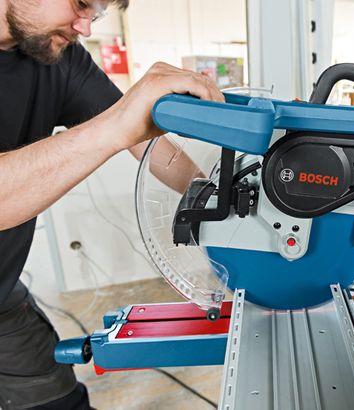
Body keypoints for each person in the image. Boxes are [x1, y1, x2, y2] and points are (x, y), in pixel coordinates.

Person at [0, 0, 224, 408]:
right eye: (81, 3)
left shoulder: (59, 56)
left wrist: (216, 199)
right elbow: (118, 125)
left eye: (97, 13)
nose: (86, 27)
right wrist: (114, 126)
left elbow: (143, 140)